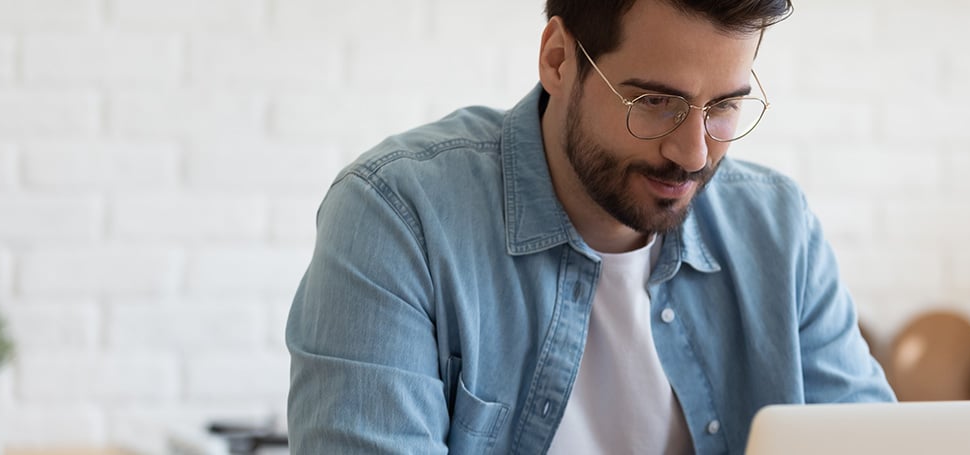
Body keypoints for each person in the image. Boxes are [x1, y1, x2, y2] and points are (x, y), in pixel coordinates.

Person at [285, 0, 895, 453]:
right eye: (654, 102)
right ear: (558, 60)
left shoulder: (779, 232)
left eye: (723, 107)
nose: (693, 153)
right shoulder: (398, 218)